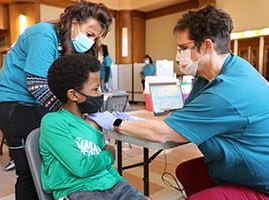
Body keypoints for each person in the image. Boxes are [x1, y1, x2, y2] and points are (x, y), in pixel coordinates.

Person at [87, 5, 269, 200]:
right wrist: (133, 121)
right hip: (244, 160)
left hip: (260, 179)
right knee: (187, 172)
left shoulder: (227, 91)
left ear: (207, 46)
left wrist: (116, 123)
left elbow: (165, 134)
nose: (178, 56)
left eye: (183, 48)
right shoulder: (215, 74)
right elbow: (180, 117)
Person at [0, 1, 113, 200]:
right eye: (89, 34)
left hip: (39, 103)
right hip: (14, 103)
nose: (90, 42)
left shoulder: (71, 45)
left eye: (96, 38)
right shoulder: (43, 34)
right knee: (30, 171)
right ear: (74, 23)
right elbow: (38, 86)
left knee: (53, 165)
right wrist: (78, 119)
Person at [41, 54, 149, 200]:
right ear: (73, 95)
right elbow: (81, 168)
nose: (100, 94)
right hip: (78, 191)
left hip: (112, 186)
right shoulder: (53, 122)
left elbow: (106, 170)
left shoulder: (93, 121)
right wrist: (109, 154)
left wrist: (133, 192)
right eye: (95, 89)